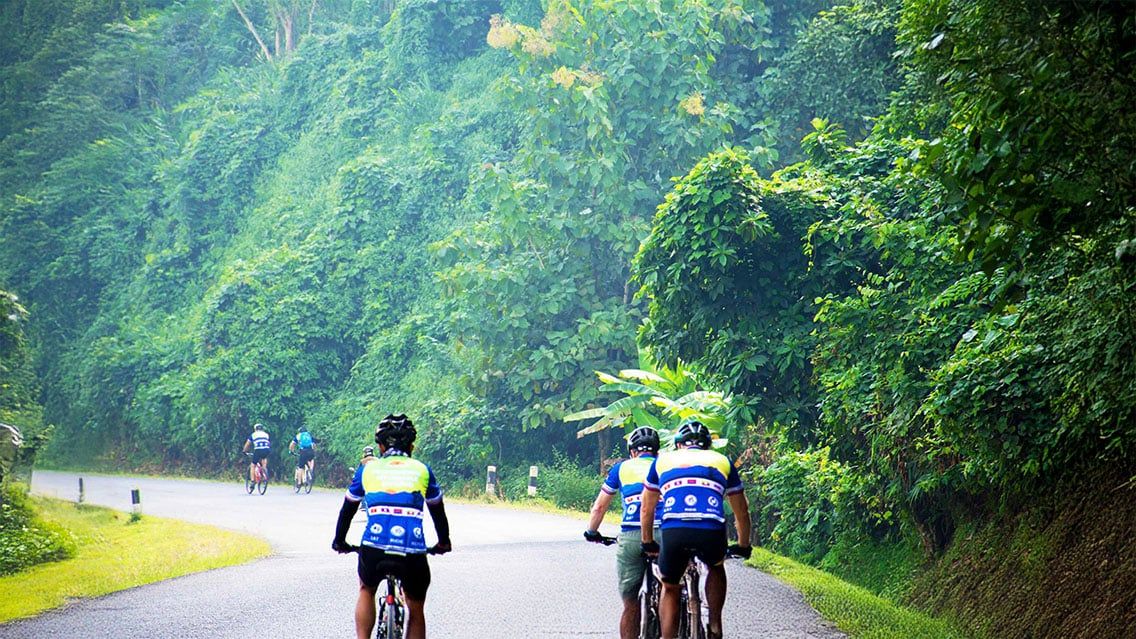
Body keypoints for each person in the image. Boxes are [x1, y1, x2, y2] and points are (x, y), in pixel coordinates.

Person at [332, 414, 452, 639]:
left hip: (373, 548)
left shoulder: (367, 470)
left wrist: (339, 541)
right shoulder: (422, 470)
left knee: (366, 589)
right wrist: (444, 542)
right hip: (412, 550)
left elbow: (347, 509)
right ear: (412, 446)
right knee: (415, 607)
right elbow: (438, 511)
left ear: (380, 446)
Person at [640, 421, 752, 639]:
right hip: (710, 529)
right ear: (707, 445)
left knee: (670, 585)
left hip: (674, 530)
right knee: (716, 567)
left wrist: (647, 541)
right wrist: (743, 544)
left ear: (679, 445)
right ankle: (715, 624)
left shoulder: (662, 461)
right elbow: (742, 511)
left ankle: (667, 636)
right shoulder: (723, 461)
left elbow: (647, 508)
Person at [583, 426, 662, 639]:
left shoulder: (621, 469)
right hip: (665, 532)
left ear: (632, 452)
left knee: (630, 601)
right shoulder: (665, 466)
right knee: (671, 586)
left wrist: (592, 531)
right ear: (656, 451)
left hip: (631, 536)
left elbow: (600, 507)